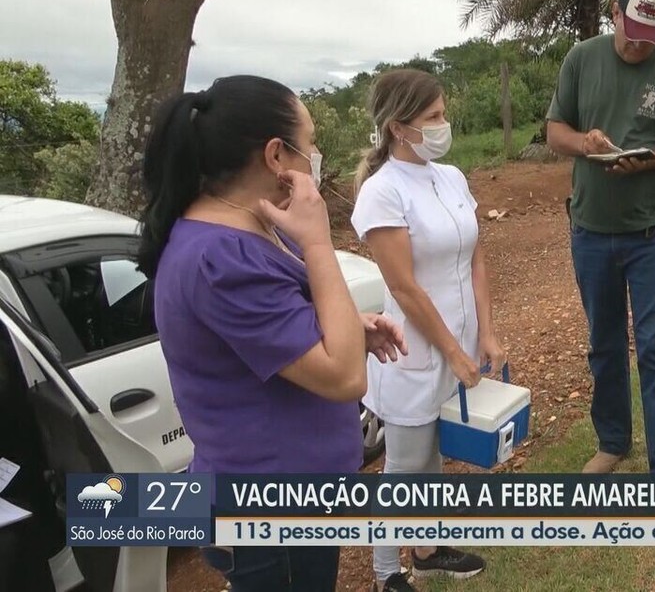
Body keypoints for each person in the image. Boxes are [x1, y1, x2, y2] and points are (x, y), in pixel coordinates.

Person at [138, 75, 407, 592]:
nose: (317, 154)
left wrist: (351, 326)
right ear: (275, 156)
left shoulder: (255, 225)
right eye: (309, 143)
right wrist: (319, 242)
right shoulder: (221, 259)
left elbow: (278, 331)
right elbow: (345, 377)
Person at [545, 0, 655, 475]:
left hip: (651, 234)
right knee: (605, 344)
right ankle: (612, 442)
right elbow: (555, 132)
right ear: (615, 13)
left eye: (651, 39)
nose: (640, 46)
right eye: (633, 32)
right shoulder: (581, 59)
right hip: (591, 231)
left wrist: (653, 160)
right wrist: (586, 144)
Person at [352, 68, 498, 591]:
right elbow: (406, 289)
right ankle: (386, 574)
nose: (444, 125)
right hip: (414, 351)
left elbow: (476, 257)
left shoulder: (451, 177)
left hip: (457, 341)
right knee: (406, 464)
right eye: (433, 117)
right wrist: (453, 353)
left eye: (443, 114)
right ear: (399, 127)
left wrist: (485, 333)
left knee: (434, 458)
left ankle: (429, 548)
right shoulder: (382, 192)